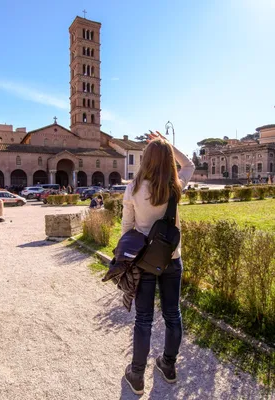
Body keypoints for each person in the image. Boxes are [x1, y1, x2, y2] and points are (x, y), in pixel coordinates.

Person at [122, 131, 195, 395]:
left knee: (144, 318)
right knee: (172, 314)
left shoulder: (133, 187)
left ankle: (137, 374)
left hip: (143, 261)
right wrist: (168, 144)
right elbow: (189, 165)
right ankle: (168, 365)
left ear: (145, 159)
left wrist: (125, 261)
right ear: (167, 160)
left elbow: (127, 228)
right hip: (172, 259)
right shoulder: (176, 185)